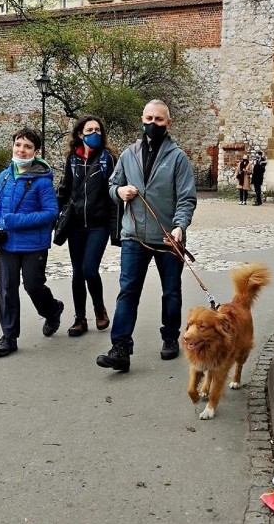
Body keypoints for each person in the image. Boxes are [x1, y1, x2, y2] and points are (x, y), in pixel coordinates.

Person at [96, 99, 197, 372]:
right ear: (142, 119)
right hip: (134, 236)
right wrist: (119, 192)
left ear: (168, 124)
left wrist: (179, 227)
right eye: (149, 119)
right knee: (128, 291)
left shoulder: (178, 158)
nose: (152, 124)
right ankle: (120, 347)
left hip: (167, 238)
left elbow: (186, 199)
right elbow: (112, 185)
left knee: (171, 292)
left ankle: (170, 337)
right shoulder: (129, 154)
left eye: (159, 120)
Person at [0, 127, 64, 358]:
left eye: (27, 146)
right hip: (8, 243)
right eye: (18, 145)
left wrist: (16, 221)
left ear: (36, 151)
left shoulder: (42, 180)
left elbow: (51, 213)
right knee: (8, 289)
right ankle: (9, 337)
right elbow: (0, 207)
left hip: (34, 244)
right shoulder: (5, 176)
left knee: (33, 286)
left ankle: (52, 310)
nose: (21, 150)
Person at [57, 116, 118, 337]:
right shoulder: (72, 160)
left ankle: (99, 309)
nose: (94, 133)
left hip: (98, 224)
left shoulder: (107, 159)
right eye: (89, 130)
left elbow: (113, 194)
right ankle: (80, 319)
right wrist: (58, 217)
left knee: (89, 269)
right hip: (75, 224)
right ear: (80, 134)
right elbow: (65, 190)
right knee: (77, 272)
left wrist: (115, 229)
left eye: (98, 130)